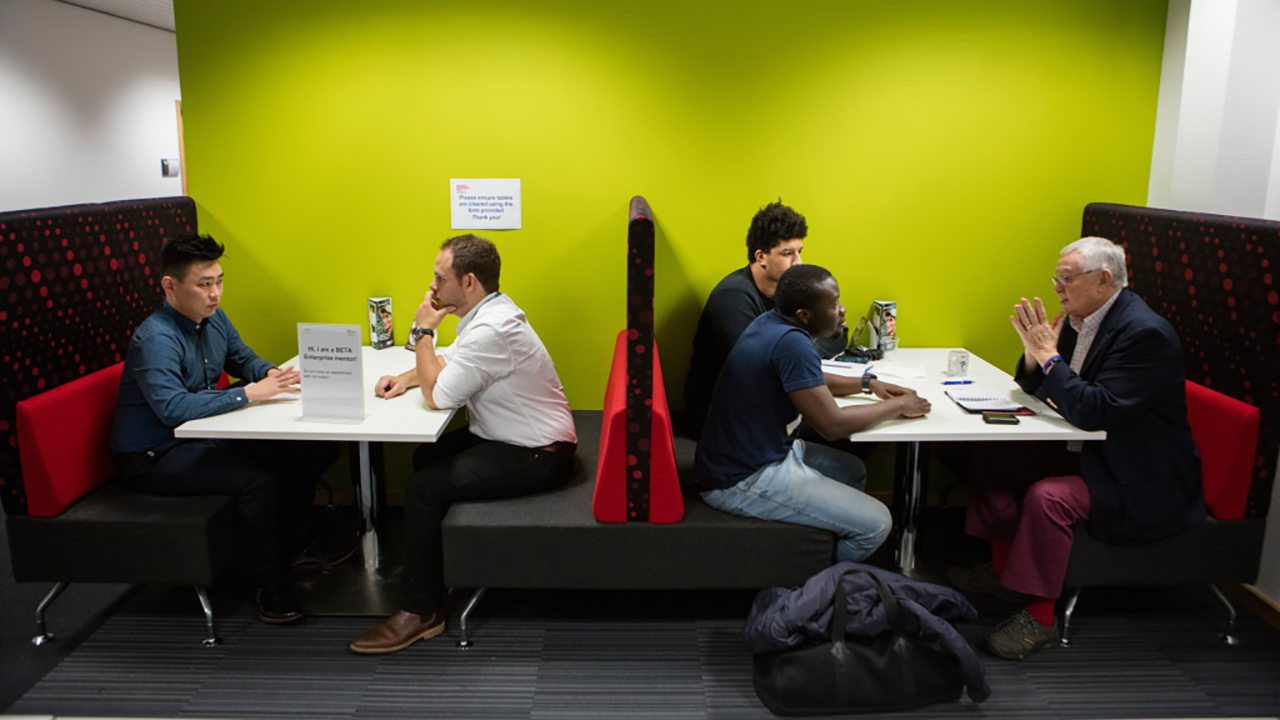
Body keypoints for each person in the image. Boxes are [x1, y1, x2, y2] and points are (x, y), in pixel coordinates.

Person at [949, 236, 1205, 660]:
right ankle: (1003, 573)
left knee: (1048, 498)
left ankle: (1041, 617)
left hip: (1135, 472)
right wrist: (1036, 356)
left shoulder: (1145, 334)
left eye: (1066, 278)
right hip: (1090, 449)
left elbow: (1093, 410)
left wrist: (1049, 359)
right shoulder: (1078, 318)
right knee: (994, 454)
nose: (1057, 288)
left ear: (1104, 279)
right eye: (1057, 278)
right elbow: (1043, 386)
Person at [350, 234, 577, 654]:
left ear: (468, 281)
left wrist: (421, 332)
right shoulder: (489, 314)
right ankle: (440, 570)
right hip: (506, 436)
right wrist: (405, 378)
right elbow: (452, 362)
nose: (432, 289)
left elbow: (440, 395)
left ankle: (421, 611)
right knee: (426, 456)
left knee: (422, 489)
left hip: (538, 453)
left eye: (439, 279)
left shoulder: (494, 328)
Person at [111, 233, 346, 624]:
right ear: (170, 285)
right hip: (153, 454)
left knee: (308, 450)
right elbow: (172, 409)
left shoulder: (213, 318)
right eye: (204, 284)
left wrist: (271, 373)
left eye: (218, 281)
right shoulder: (156, 338)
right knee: (256, 480)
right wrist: (249, 395)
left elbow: (241, 357)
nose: (215, 293)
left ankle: (293, 548)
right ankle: (264, 582)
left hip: (201, 434)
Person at [695, 264, 931, 563]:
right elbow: (833, 426)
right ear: (805, 314)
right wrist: (899, 405)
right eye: (833, 305)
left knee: (852, 469)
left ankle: (823, 539)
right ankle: (813, 587)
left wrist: (867, 383)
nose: (842, 310)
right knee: (878, 524)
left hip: (756, 453)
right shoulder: (793, 343)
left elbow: (806, 379)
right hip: (740, 478)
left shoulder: (772, 323)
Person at [684, 201, 848, 437]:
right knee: (843, 431)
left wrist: (799, 353)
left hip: (767, 401)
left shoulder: (789, 292)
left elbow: (838, 334)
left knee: (855, 424)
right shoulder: (733, 297)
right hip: (721, 416)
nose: (798, 262)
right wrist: (799, 352)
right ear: (761, 257)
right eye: (787, 254)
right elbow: (756, 369)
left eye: (799, 251)